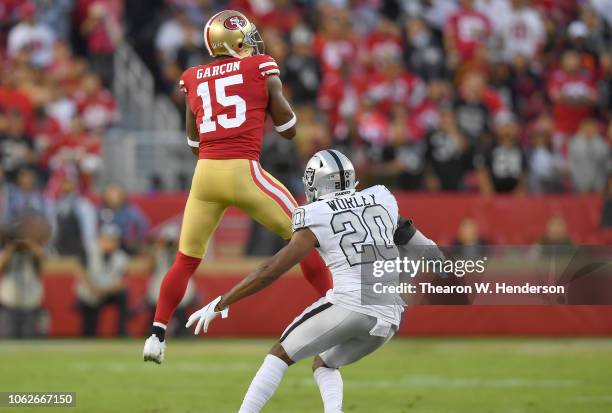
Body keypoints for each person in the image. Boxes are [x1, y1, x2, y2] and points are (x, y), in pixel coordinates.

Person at [143, 10, 332, 364]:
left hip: (205, 175)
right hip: (243, 170)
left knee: (186, 258)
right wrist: (264, 101)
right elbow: (288, 128)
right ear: (237, 41)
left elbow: (193, 141)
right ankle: (334, 312)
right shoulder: (260, 66)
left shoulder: (192, 77)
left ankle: (156, 333)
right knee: (305, 236)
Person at [185, 150, 434, 413]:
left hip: (350, 304)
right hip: (389, 314)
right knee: (324, 363)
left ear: (318, 182)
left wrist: (222, 302)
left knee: (279, 355)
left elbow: (272, 269)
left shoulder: (315, 213)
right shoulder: (379, 198)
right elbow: (410, 236)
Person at [75, 225, 129, 337]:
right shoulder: (89, 251)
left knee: (124, 296)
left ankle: (121, 332)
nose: (109, 243)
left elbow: (122, 282)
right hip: (90, 291)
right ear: (100, 239)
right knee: (89, 323)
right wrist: (94, 289)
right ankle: (88, 334)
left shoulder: (121, 256)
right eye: (107, 239)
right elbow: (81, 273)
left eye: (112, 240)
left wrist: (106, 290)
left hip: (109, 291)